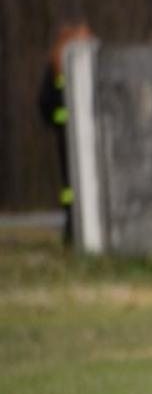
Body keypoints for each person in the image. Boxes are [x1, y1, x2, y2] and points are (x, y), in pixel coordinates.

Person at [37, 19, 93, 247]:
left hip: (82, 132)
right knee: (71, 185)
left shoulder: (82, 62)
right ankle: (72, 227)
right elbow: (46, 102)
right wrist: (62, 121)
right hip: (68, 134)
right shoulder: (57, 66)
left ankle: (77, 229)